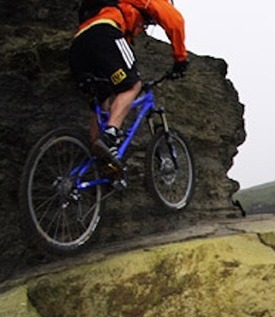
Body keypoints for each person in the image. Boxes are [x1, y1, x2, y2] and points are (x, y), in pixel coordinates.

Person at [68, 0, 188, 183]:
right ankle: (110, 135)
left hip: (78, 47)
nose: (148, 25)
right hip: (104, 33)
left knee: (102, 101)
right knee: (132, 86)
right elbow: (174, 20)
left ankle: (102, 158)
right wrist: (180, 59)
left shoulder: (117, 8)